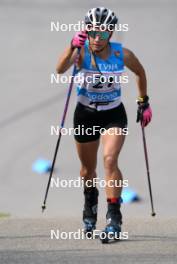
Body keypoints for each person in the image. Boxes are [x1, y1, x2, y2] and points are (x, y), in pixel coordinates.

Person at [56, 7, 152, 240]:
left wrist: (143, 101)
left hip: (113, 114)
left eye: (104, 33)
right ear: (86, 31)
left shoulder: (122, 55)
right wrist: (71, 46)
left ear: (111, 33)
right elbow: (59, 70)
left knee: (110, 160)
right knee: (88, 170)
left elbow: (140, 72)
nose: (97, 39)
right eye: (93, 33)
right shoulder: (80, 52)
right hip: (85, 114)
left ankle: (114, 218)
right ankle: (90, 203)